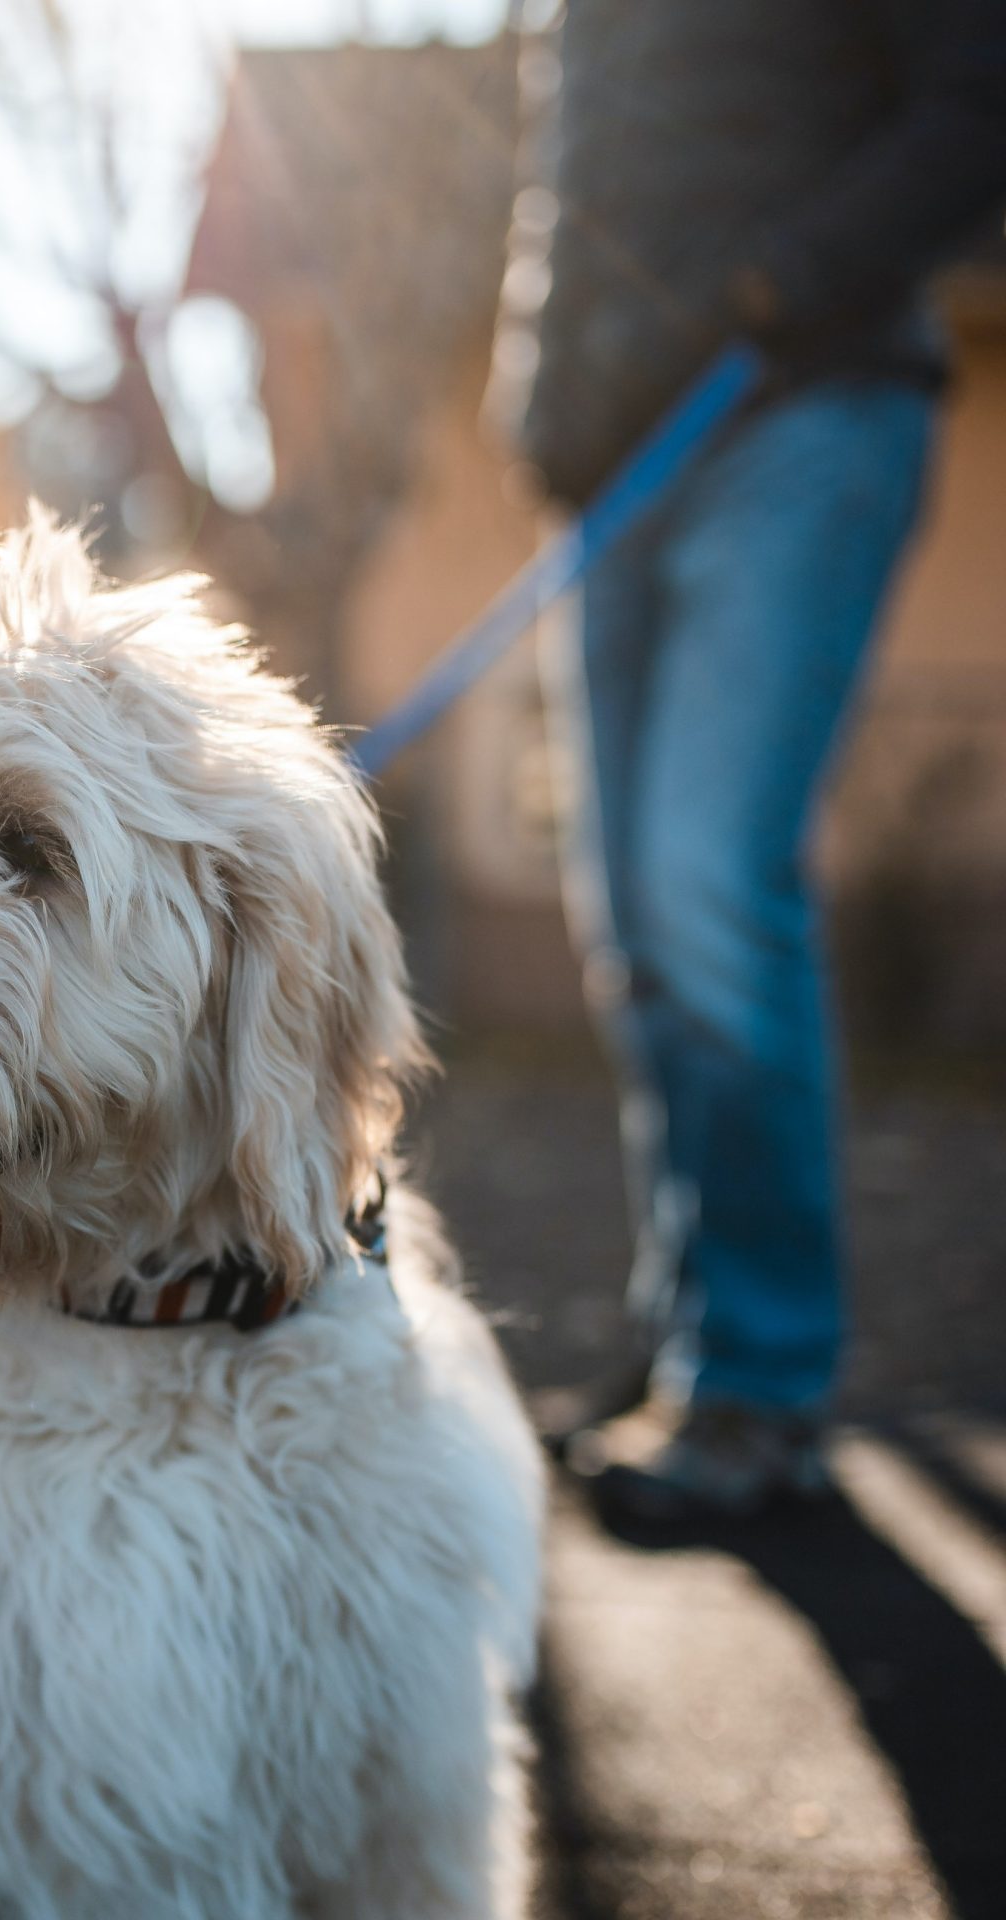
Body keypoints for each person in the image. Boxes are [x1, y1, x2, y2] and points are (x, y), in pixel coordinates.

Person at [493, 0, 1006, 1520]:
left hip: (800, 403)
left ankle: (763, 1388)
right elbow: (572, 172)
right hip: (610, 458)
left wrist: (775, 283)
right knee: (634, 924)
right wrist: (539, 398)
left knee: (708, 882)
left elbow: (975, 104)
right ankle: (695, 1339)